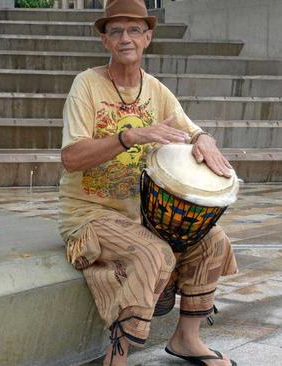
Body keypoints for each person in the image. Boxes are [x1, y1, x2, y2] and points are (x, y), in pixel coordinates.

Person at [58, 1, 238, 365]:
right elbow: (71, 157)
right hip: (88, 218)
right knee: (152, 252)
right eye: (116, 31)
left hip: (138, 217)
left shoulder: (155, 90)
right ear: (105, 41)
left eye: (134, 30)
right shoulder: (87, 86)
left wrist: (203, 137)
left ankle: (186, 339)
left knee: (213, 240)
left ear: (148, 38)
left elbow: (191, 130)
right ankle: (116, 358)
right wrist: (129, 136)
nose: (126, 38)